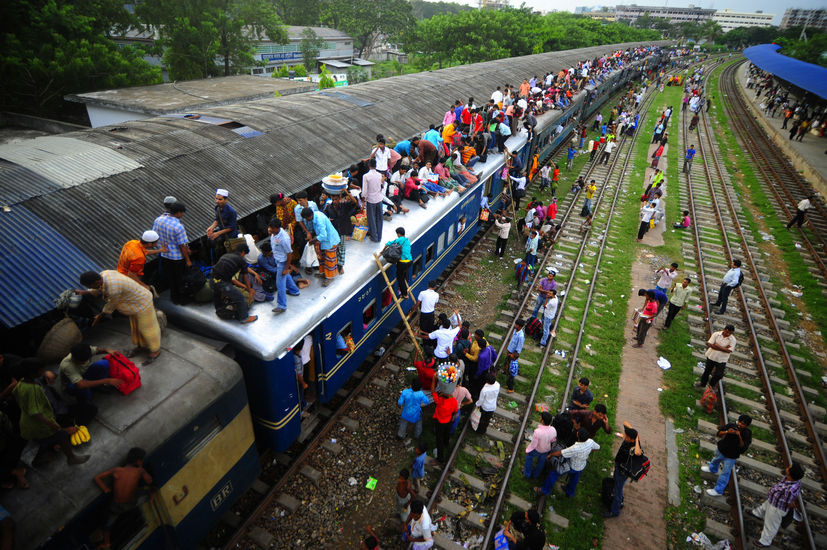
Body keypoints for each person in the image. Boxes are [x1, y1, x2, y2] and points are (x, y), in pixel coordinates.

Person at [13, 359, 89, 466]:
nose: (42, 371)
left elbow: (17, 396)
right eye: (41, 370)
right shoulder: (34, 389)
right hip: (39, 423)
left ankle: (45, 455)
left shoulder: (21, 383)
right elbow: (35, 412)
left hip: (27, 421)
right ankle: (71, 458)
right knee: (61, 434)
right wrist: (52, 424)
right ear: (33, 373)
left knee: (49, 438)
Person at [77, 270, 162, 365]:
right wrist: (83, 292)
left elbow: (112, 304)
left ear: (96, 282)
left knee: (146, 328)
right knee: (136, 327)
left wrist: (100, 315)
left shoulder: (113, 288)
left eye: (90, 286)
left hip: (143, 303)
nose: (89, 288)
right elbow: (99, 289)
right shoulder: (104, 274)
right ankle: (142, 345)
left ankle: (155, 350)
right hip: (133, 304)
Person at [94, 447, 153, 550]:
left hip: (116, 506)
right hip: (130, 503)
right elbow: (149, 481)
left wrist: (105, 489)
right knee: (149, 492)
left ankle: (107, 543)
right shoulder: (139, 471)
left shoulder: (117, 470)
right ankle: (151, 499)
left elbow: (97, 478)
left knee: (107, 525)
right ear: (139, 461)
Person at [751, 463, 805, 548]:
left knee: (771, 525)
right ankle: (757, 514)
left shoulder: (790, 489)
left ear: (790, 474)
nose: (787, 467)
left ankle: (765, 541)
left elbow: (789, 502)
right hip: (773, 500)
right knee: (764, 507)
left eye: (789, 468)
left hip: (777, 508)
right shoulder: (789, 479)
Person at [538, 428, 600, 498]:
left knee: (554, 473)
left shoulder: (575, 448)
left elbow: (561, 453)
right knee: (574, 480)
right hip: (581, 466)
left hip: (571, 465)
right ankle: (570, 492)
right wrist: (588, 451)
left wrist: (550, 455)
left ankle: (544, 490)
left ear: (578, 436)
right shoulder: (590, 442)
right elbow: (598, 447)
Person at [702, 414, 752, 497]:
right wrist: (727, 432)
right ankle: (712, 469)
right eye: (740, 422)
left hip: (731, 456)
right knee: (715, 460)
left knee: (725, 472)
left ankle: (718, 490)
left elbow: (743, 447)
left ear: (746, 426)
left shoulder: (747, 434)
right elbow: (719, 433)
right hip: (722, 449)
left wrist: (739, 435)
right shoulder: (731, 425)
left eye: (743, 424)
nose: (740, 425)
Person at [209, 244, 261, 324]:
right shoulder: (241, 260)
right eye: (245, 254)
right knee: (240, 297)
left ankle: (220, 310)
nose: (244, 256)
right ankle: (244, 318)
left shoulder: (226, 255)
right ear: (243, 252)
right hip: (222, 283)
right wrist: (249, 289)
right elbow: (246, 277)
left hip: (212, 280)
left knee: (217, 294)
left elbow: (225, 273)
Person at [152, 201, 191, 305]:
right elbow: (182, 245)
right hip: (177, 258)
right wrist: (187, 260)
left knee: (171, 278)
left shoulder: (158, 220)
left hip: (164, 254)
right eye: (182, 213)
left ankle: (174, 298)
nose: (182, 215)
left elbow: (155, 235)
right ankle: (182, 300)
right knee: (180, 279)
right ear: (178, 213)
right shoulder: (178, 227)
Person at [604, 422, 642, 518]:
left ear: (632, 439)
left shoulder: (634, 448)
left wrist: (636, 438)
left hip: (622, 472)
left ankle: (614, 511)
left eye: (627, 436)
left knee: (618, 490)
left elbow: (638, 452)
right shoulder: (630, 440)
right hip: (619, 467)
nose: (624, 436)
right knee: (617, 486)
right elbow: (626, 423)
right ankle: (618, 502)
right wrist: (635, 434)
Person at [266, 217, 300, 315]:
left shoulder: (284, 238)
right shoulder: (274, 234)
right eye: (269, 227)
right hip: (277, 259)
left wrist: (286, 268)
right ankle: (294, 291)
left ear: (277, 228)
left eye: (272, 228)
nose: (270, 230)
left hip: (282, 262)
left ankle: (282, 305)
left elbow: (289, 254)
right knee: (286, 277)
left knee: (280, 284)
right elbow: (275, 245)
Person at [302, 207, 341, 286]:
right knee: (323, 259)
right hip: (324, 242)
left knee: (330, 260)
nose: (306, 220)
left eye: (306, 218)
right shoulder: (315, 215)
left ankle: (329, 277)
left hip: (330, 241)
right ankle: (324, 273)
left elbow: (323, 235)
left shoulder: (319, 219)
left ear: (309, 216)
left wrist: (313, 240)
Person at [324, 191, 360, 275]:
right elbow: (324, 216)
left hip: (343, 230)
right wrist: (328, 220)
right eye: (333, 199)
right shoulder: (329, 207)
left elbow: (355, 202)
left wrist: (347, 192)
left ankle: (341, 266)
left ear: (339, 198)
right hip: (334, 230)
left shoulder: (344, 205)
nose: (334, 201)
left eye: (336, 199)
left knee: (342, 248)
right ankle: (336, 264)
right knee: (335, 248)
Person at [696, 324, 737, 389]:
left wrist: (717, 346)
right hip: (712, 356)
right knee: (707, 371)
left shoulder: (733, 340)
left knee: (719, 375)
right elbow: (709, 344)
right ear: (724, 330)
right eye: (727, 332)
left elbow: (729, 351)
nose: (728, 334)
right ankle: (702, 383)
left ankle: (712, 384)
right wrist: (724, 348)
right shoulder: (716, 334)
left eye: (730, 333)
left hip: (722, 359)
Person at [206, 188, 238, 263]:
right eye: (216, 198)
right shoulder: (217, 208)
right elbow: (217, 219)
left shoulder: (231, 211)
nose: (217, 201)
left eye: (220, 199)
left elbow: (231, 227)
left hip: (230, 236)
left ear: (225, 200)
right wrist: (211, 228)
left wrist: (217, 233)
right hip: (222, 234)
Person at [523, 411, 556, 479]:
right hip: (546, 449)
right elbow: (553, 440)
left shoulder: (537, 432)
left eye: (540, 417)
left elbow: (533, 445)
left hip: (538, 450)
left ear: (542, 421)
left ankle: (527, 473)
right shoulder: (553, 430)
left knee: (529, 457)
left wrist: (527, 450)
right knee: (541, 462)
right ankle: (535, 475)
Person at [385, 227, 413, 299]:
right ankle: (405, 290)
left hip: (402, 262)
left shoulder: (399, 239)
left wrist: (382, 251)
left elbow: (388, 243)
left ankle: (405, 294)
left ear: (399, 234)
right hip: (409, 261)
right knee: (403, 275)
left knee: (400, 278)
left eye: (397, 234)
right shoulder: (407, 240)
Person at [362, 159, 384, 243]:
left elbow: (364, 191)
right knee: (379, 218)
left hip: (371, 200)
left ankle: (374, 237)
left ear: (369, 165)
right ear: (376, 165)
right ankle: (379, 236)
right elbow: (381, 186)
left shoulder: (366, 176)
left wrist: (364, 198)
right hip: (379, 199)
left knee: (371, 218)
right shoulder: (379, 175)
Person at [432, 390, 457, 463]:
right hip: (448, 421)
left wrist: (434, 380)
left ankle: (440, 458)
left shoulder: (439, 401)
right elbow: (455, 410)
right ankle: (446, 443)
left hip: (440, 422)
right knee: (446, 433)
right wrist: (453, 416)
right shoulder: (453, 400)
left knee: (439, 439)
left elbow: (433, 391)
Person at [505, 319, 525, 392]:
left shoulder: (521, 336)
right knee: (507, 363)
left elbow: (519, 348)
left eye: (516, 325)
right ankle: (506, 374)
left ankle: (510, 388)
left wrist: (512, 355)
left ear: (520, 326)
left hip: (512, 353)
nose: (515, 325)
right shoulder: (515, 330)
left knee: (510, 371)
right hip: (510, 351)